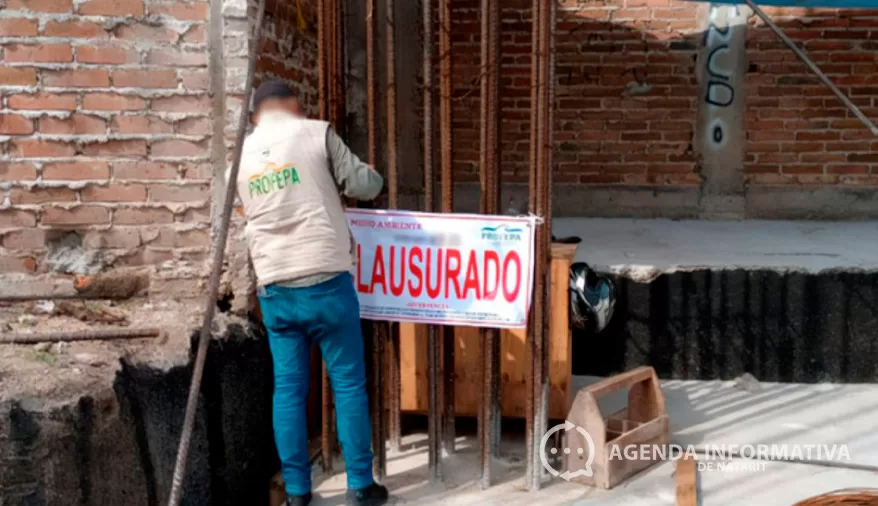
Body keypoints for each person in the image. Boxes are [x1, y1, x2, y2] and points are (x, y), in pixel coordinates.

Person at [232, 80, 388, 506]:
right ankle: (361, 486)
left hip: (276, 287)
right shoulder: (316, 132)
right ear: (292, 106)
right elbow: (363, 184)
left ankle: (298, 493)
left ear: (256, 115)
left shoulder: (239, 155)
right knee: (349, 384)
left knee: (288, 389)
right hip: (326, 282)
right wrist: (376, 176)